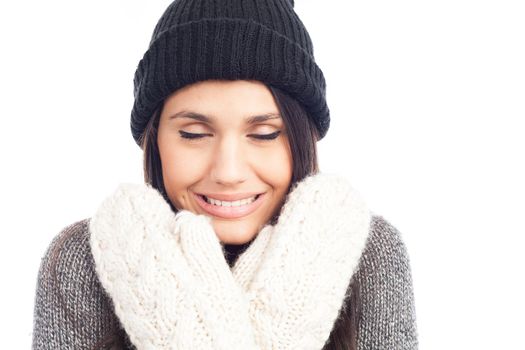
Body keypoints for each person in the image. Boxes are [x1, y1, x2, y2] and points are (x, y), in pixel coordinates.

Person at [31, 0, 419, 349]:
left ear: (304, 138)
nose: (229, 172)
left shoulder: (366, 252)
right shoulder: (84, 258)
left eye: (264, 134)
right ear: (155, 141)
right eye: (194, 135)